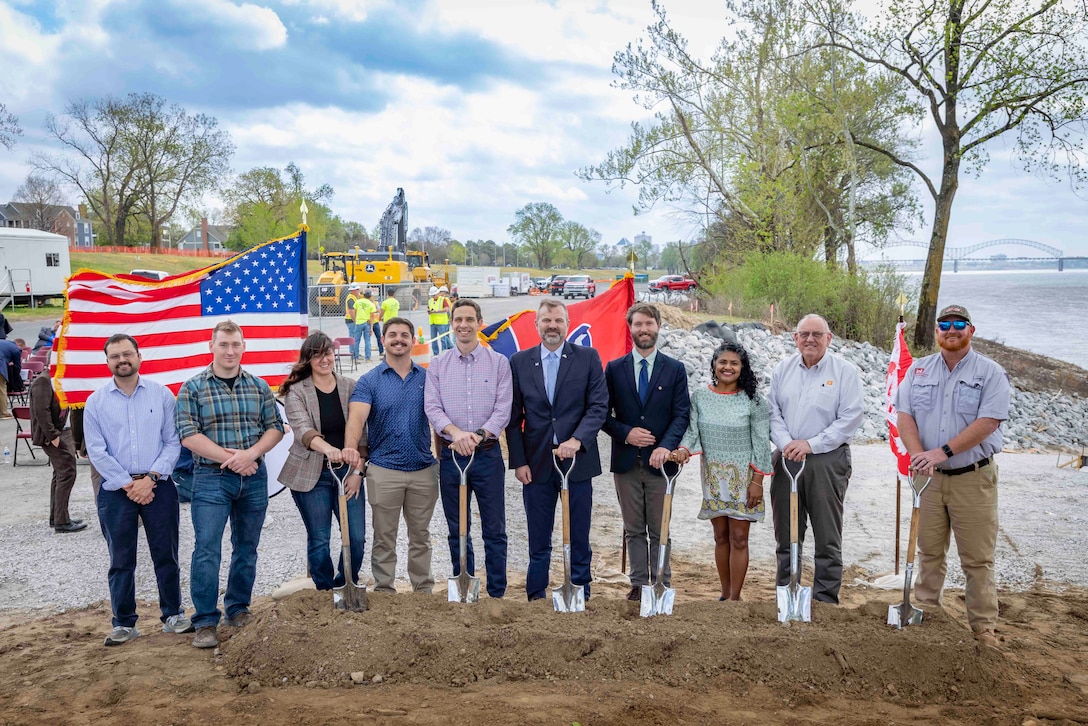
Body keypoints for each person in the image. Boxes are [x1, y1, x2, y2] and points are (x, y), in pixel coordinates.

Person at [897, 304, 1011, 649]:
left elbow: (988, 422)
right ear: (936, 332)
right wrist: (919, 455)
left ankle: (983, 629)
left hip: (972, 479)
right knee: (929, 553)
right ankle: (927, 615)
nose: (951, 330)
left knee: (977, 559)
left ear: (971, 330)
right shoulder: (918, 370)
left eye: (959, 324)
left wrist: (941, 452)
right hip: (929, 480)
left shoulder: (990, 373)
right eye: (944, 324)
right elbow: (905, 416)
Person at [175, 320, 284, 649]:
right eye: (223, 344)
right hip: (211, 479)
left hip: (253, 478)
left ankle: (237, 609)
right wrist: (233, 459)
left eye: (236, 344)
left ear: (243, 347)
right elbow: (188, 435)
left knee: (246, 548)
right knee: (207, 549)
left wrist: (250, 455)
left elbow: (275, 428)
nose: (230, 351)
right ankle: (205, 621)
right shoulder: (192, 388)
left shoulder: (259, 387)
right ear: (211, 346)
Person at [83, 334, 188, 646]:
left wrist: (150, 479)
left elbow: (173, 442)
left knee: (166, 554)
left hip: (159, 486)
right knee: (120, 558)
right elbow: (96, 451)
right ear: (107, 361)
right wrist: (129, 484)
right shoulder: (95, 402)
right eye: (115, 356)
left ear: (139, 357)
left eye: (127, 354)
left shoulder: (161, 395)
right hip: (117, 490)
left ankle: (173, 615)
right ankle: (123, 623)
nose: (122, 360)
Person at [507, 299, 608, 601]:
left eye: (558, 321)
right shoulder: (520, 362)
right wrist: (519, 462)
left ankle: (579, 590)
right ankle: (536, 593)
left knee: (578, 533)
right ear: (536, 324)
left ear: (567, 324)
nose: (552, 326)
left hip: (577, 462)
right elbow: (513, 417)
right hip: (536, 463)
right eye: (546, 320)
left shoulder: (587, 357)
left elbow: (598, 406)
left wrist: (577, 440)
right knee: (538, 535)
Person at [767, 313, 863, 605]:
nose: (810, 339)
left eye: (817, 334)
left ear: (828, 339)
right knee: (787, 535)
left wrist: (810, 444)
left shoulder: (845, 372)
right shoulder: (782, 370)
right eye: (804, 334)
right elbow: (772, 413)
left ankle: (825, 599)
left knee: (827, 536)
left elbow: (849, 418)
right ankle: (788, 595)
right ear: (795, 338)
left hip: (827, 460)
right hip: (786, 459)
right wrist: (787, 444)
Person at [343, 317, 440, 593]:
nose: (399, 340)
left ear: (413, 340)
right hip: (384, 470)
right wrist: (351, 450)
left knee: (421, 536)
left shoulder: (428, 378)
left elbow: (439, 419)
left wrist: (442, 459)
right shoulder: (369, 381)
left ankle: (423, 591)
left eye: (404, 335)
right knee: (384, 537)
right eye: (393, 335)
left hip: (423, 470)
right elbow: (357, 419)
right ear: (383, 340)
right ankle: (384, 590)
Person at [424, 299, 512, 599]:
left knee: (494, 528)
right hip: (452, 456)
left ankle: (497, 592)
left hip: (487, 455)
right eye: (458, 319)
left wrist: (477, 435)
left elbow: (503, 408)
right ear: (451, 324)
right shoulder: (438, 365)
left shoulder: (498, 363)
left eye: (469, 319)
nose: (464, 325)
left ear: (479, 323)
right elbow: (432, 407)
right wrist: (456, 434)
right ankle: (464, 586)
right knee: (457, 527)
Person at [602, 302, 690, 602]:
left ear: (658, 327)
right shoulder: (614, 369)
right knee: (634, 528)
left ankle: (661, 582)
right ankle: (639, 585)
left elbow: (681, 414)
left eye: (649, 324)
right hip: (626, 463)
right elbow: (602, 414)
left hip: (661, 466)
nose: (644, 329)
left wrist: (665, 446)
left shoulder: (675, 369)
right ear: (630, 328)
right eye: (638, 324)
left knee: (659, 528)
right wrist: (625, 433)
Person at [673, 342, 772, 601]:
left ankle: (735, 598)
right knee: (720, 536)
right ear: (714, 365)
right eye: (723, 362)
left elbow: (762, 443)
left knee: (739, 537)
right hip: (713, 478)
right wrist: (683, 449)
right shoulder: (700, 397)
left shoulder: (754, 401)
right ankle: (724, 593)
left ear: (742, 368)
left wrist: (758, 482)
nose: (728, 367)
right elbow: (692, 431)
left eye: (734, 363)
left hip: (744, 479)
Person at [278, 332, 366, 592]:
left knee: (356, 537)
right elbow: (303, 430)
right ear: (308, 359)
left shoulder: (350, 386)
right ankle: (324, 590)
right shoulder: (297, 391)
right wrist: (330, 450)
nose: (324, 359)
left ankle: (346, 583)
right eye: (316, 355)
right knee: (319, 538)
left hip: (347, 472)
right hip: (311, 473)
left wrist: (358, 472)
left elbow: (363, 431)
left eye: (327, 353)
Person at [29, 358, 87, 533]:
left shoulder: (59, 380)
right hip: (53, 435)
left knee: (61, 474)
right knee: (67, 473)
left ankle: (58, 517)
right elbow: (41, 411)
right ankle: (62, 521)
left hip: (62, 431)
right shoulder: (43, 381)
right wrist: (53, 436)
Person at [355, 288, 379, 361]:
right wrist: (371, 328)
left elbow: (355, 312)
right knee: (367, 341)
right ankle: (367, 358)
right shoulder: (371, 304)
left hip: (359, 322)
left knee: (357, 340)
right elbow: (372, 316)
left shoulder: (358, 302)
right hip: (367, 323)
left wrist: (356, 320)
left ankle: (356, 356)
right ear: (370, 296)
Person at [426, 286, 450, 356]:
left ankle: (444, 354)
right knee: (433, 339)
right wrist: (429, 311)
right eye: (432, 295)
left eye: (434, 295)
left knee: (443, 339)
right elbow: (428, 307)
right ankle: (435, 354)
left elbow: (446, 309)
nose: (433, 297)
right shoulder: (430, 301)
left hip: (442, 323)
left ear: (437, 293)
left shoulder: (443, 300)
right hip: (433, 322)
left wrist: (436, 311)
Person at [0, 338, 20, 419]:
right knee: (1, 390)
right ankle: (3, 413)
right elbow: (17, 365)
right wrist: (17, 377)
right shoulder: (16, 349)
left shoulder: (4, 343)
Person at [344, 282, 362, 361]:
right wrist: (355, 321)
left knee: (354, 337)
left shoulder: (354, 297)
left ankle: (355, 352)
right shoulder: (351, 298)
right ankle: (353, 353)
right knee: (353, 337)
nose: (358, 291)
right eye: (357, 289)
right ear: (353, 290)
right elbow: (351, 311)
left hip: (352, 320)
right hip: (351, 320)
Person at [363, 289, 384, 358]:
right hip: (368, 322)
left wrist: (375, 310)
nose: (372, 297)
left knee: (379, 337)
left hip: (375, 322)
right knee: (367, 339)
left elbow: (379, 310)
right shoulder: (365, 303)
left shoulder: (375, 303)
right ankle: (368, 354)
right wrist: (374, 310)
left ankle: (381, 351)